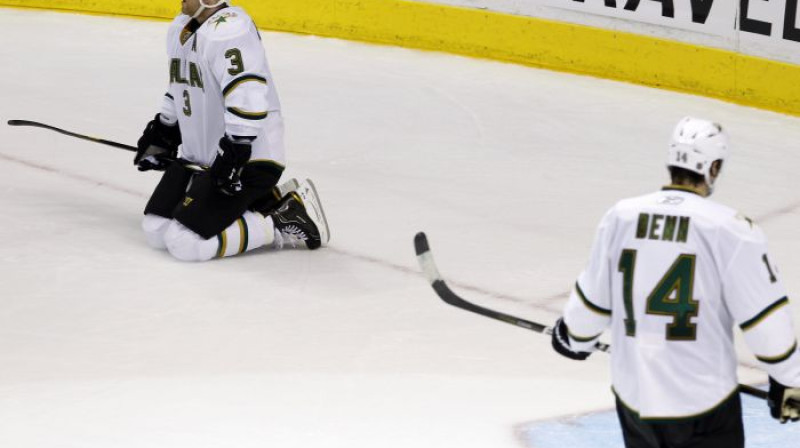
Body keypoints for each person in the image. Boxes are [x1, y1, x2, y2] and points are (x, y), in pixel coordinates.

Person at [550, 117, 800, 447]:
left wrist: (575, 337)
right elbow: (765, 322)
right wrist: (789, 381)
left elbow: (591, 303)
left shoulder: (621, 216)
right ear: (713, 167)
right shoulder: (731, 230)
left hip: (635, 398)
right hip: (704, 405)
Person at [133, 0, 329, 261]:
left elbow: (247, 94)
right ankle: (258, 203)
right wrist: (165, 129)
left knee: (185, 244)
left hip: (248, 159)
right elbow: (180, 85)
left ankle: (278, 217)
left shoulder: (231, 29)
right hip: (203, 158)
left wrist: (236, 150)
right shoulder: (181, 27)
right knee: (156, 230)